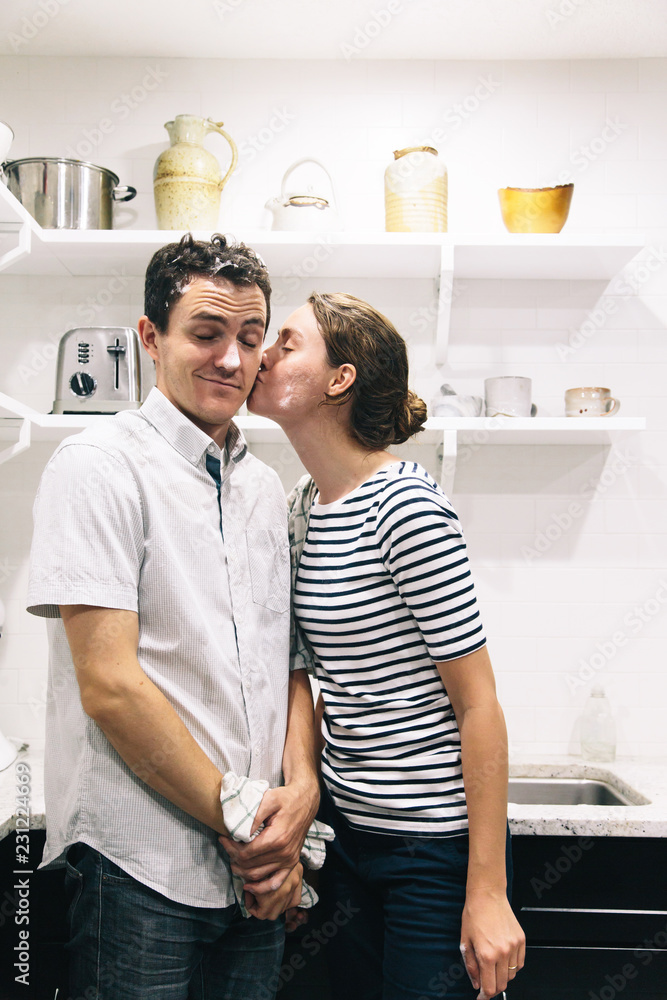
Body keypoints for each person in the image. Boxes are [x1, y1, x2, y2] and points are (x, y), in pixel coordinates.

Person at [25, 234, 320, 1000]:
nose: (231, 358)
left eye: (250, 338)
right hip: (139, 868)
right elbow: (110, 686)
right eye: (206, 333)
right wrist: (247, 821)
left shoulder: (265, 489)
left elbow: (287, 664)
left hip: (254, 876)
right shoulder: (98, 466)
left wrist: (300, 799)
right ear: (150, 338)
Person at [248, 291, 526, 1000]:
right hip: (347, 841)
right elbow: (314, 678)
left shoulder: (404, 507)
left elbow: (478, 705)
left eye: (286, 342)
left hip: (432, 851)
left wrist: (487, 892)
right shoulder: (303, 505)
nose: (262, 352)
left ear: (338, 379)